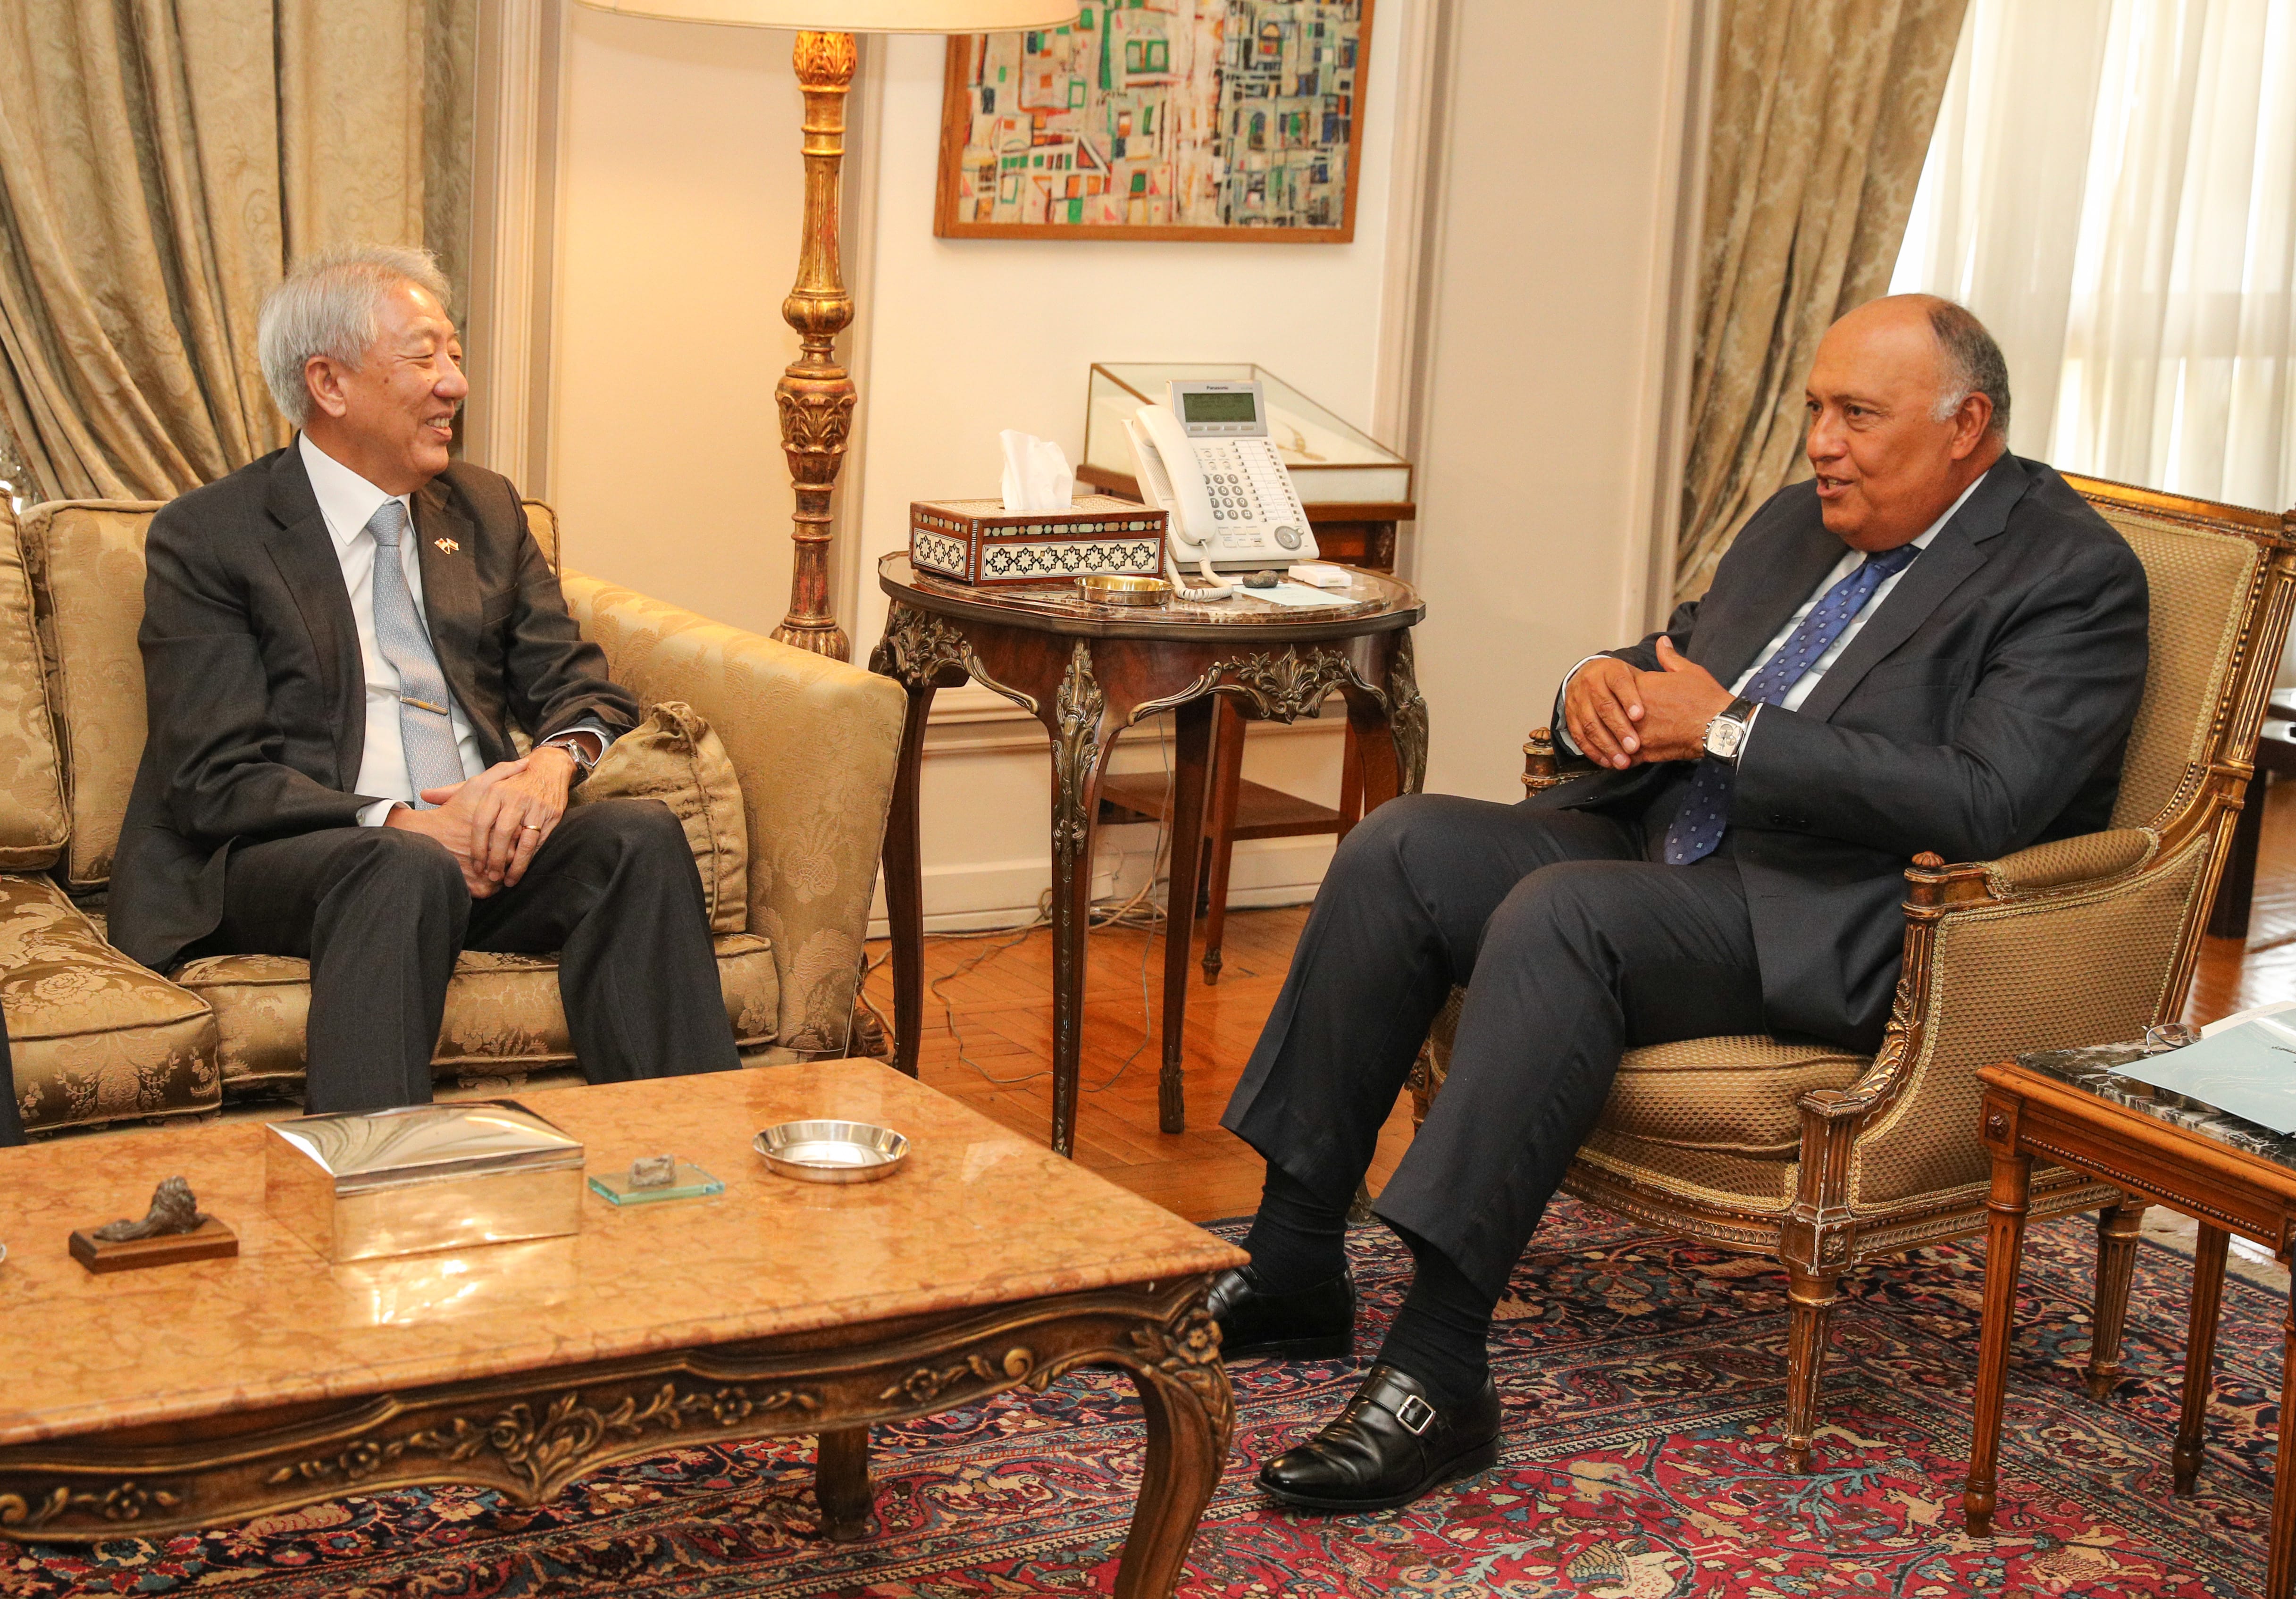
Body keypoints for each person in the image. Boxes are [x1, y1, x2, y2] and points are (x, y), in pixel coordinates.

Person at [1212, 295, 2150, 1512]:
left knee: (1565, 914)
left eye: (1857, 415)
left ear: (1967, 426)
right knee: (1400, 845)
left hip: (1832, 912)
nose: (1820, 441)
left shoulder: (2071, 575)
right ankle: (1293, 1265)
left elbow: (1987, 800)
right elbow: (1683, 658)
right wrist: (1596, 685)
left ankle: (1438, 1371)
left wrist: (1728, 729)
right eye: (1817, 407)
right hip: (1668, 845)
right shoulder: (1799, 524)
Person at [109, 244, 741, 1113]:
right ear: (329, 384)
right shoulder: (212, 535)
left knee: (638, 837)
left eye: (454, 353)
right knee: (401, 869)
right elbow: (211, 779)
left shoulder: (483, 509)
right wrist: (401, 823)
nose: (455, 384)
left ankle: (684, 1157)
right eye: (424, 356)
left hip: (479, 843)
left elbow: (583, 690)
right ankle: (376, 1192)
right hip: (298, 855)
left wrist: (547, 773)